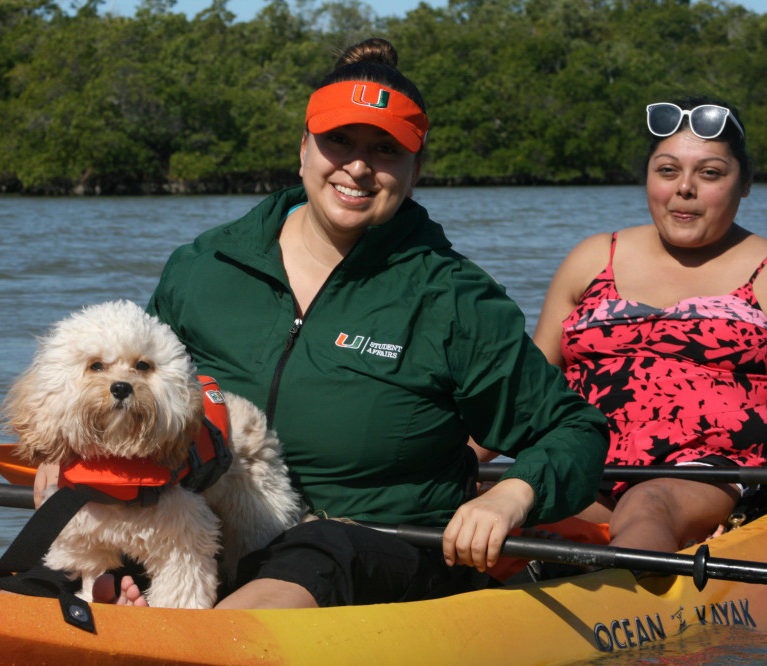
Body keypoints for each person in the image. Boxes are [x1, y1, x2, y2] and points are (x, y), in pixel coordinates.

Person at [40, 38, 609, 608]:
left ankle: (198, 636)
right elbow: (129, 398)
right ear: (304, 149)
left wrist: (509, 495)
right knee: (55, 567)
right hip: (205, 531)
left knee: (317, 547)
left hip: (382, 550)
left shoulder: (455, 299)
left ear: (415, 171)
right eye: (340, 140)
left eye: (384, 149)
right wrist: (59, 461)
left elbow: (575, 432)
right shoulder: (202, 268)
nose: (358, 167)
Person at [532, 97, 767, 554]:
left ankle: (619, 602)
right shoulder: (591, 257)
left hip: (710, 479)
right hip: (583, 464)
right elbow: (523, 391)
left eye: (710, 173)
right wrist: (451, 460)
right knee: (478, 498)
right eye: (668, 170)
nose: (685, 189)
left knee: (648, 502)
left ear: (747, 181)